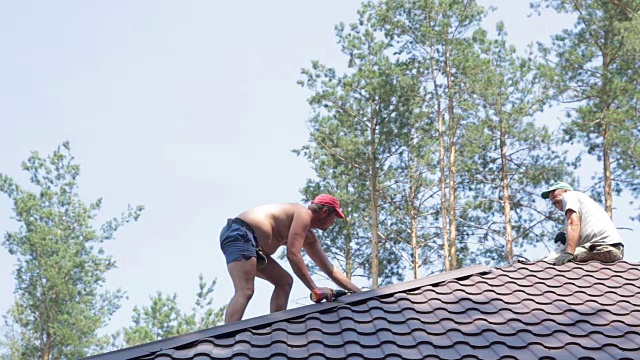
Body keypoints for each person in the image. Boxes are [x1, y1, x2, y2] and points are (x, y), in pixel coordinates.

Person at [219, 194, 362, 323]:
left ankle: (276, 328)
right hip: (240, 234)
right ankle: (226, 340)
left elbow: (330, 270)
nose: (334, 222)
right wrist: (315, 288)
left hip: (252, 246)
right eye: (334, 217)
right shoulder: (303, 214)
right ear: (325, 212)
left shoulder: (309, 237)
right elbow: (293, 254)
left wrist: (361, 294)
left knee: (284, 282)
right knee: (245, 290)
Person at [541, 182, 625, 265]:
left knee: (553, 262)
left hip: (604, 247)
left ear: (566, 191)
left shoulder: (570, 196)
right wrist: (566, 240)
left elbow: (573, 223)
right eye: (551, 200)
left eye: (554, 195)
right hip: (607, 247)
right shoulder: (583, 204)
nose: (553, 200)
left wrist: (569, 252)